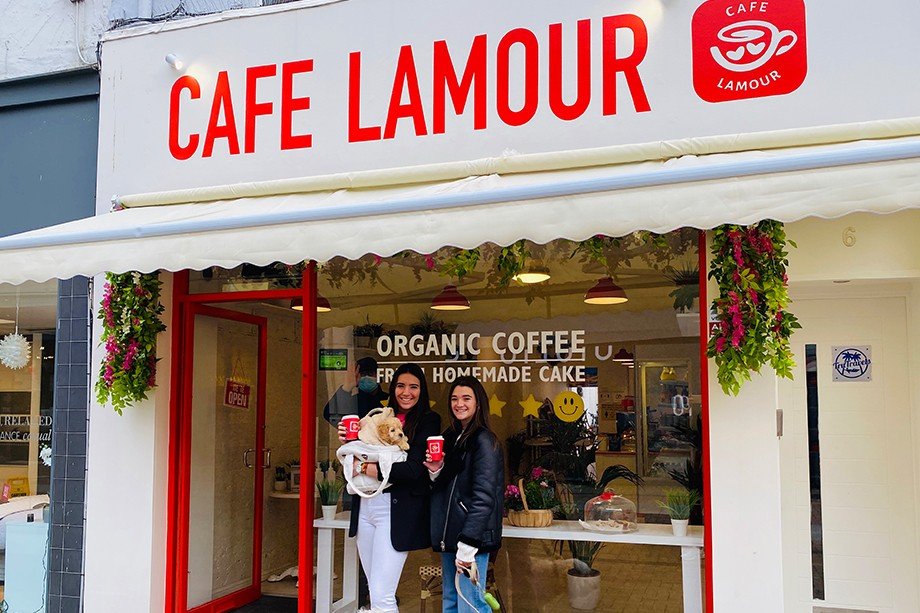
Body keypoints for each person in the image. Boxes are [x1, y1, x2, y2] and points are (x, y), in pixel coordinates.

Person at [337, 362, 441, 612]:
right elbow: (354, 454)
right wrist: (349, 441)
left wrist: (364, 468)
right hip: (365, 508)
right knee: (375, 591)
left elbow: (414, 470)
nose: (407, 392)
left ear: (422, 390)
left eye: (414, 387)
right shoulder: (378, 417)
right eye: (401, 386)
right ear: (393, 388)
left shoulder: (428, 420)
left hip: (394, 512)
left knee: (383, 596)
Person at [424, 376, 504, 613]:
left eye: (466, 398)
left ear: (478, 403)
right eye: (454, 399)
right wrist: (436, 472)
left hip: (471, 540)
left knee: (471, 603)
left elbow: (484, 496)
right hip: (451, 537)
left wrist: (468, 545)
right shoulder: (450, 438)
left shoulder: (484, 441)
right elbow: (446, 488)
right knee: (451, 600)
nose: (459, 404)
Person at [324, 356, 389, 425]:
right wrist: (347, 387)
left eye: (370, 374)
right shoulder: (352, 402)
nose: (366, 377)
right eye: (363, 374)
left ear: (378, 376)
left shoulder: (389, 399)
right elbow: (329, 414)